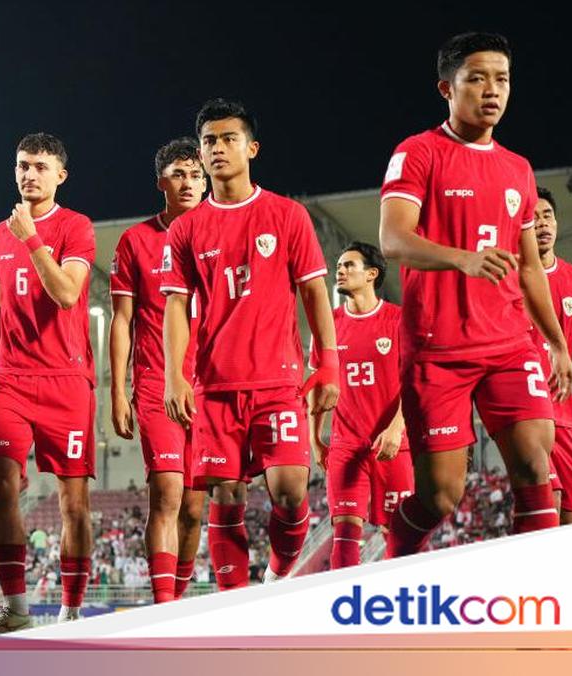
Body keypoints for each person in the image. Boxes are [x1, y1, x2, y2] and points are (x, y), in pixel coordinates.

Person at [378, 33, 572, 556]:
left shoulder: (518, 169)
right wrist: (462, 257)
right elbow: (393, 239)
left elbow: (531, 268)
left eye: (502, 79)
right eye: (477, 78)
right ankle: (395, 554)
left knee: (536, 467)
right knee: (441, 497)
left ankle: (533, 602)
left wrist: (555, 343)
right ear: (447, 87)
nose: (493, 90)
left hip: (509, 344)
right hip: (437, 349)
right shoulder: (417, 153)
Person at [161, 99, 339, 589]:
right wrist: (176, 374)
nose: (218, 149)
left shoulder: (287, 215)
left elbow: (314, 293)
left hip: (278, 382)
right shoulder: (186, 229)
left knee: (288, 494)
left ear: (252, 148)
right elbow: (176, 306)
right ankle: (232, 610)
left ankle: (279, 574)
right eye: (209, 142)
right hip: (214, 388)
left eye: (228, 139)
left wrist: (328, 363)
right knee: (226, 498)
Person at [0, 133, 96, 634]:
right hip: (14, 382)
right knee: (0, 486)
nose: (29, 175)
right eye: (22, 165)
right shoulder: (2, 233)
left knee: (74, 504)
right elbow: (2, 303)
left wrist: (34, 239)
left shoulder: (75, 227)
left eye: (41, 167)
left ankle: (71, 609)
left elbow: (66, 294)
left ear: (60, 175)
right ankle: (17, 609)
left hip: (66, 381)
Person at [109, 137, 206, 602]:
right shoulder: (136, 241)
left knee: (194, 507)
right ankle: (163, 608)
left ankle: (180, 600)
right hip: (155, 384)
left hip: (212, 387)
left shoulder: (223, 233)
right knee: (167, 496)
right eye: (179, 174)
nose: (188, 182)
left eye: (196, 174)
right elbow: (122, 320)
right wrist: (116, 392)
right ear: (161, 183)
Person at [308, 243, 412, 568]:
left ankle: (405, 605)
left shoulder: (398, 320)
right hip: (345, 445)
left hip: (392, 444)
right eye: (338, 265)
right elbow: (319, 384)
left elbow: (415, 384)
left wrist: (396, 428)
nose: (340, 270)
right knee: (345, 530)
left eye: (349, 265)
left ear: (371, 274)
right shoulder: (327, 325)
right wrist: (315, 437)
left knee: (397, 532)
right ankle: (345, 606)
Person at [529, 188, 572, 524]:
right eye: (533, 219)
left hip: (563, 415)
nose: (542, 224)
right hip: (527, 409)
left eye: (547, 216)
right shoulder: (509, 278)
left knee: (571, 515)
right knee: (550, 496)